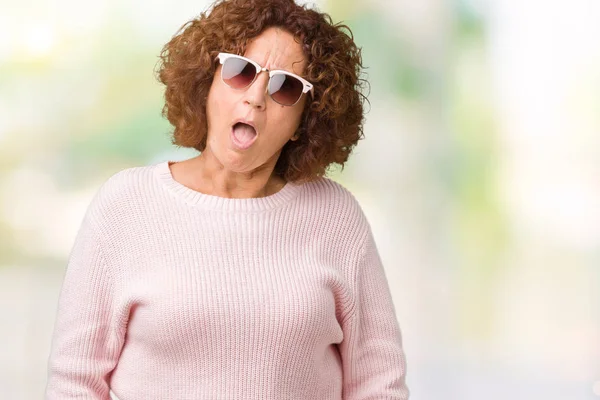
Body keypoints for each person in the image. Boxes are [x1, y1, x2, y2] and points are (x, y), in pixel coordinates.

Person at [44, 0, 410, 399]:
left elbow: (379, 385)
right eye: (240, 71)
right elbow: (74, 382)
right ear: (207, 84)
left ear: (304, 121)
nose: (255, 98)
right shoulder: (126, 205)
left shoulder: (336, 218)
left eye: (285, 86)